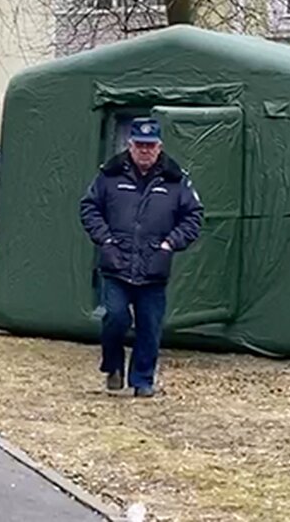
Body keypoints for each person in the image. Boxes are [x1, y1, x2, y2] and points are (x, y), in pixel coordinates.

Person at [79, 117, 203, 398]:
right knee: (115, 317)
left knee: (149, 326)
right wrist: (105, 240)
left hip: (154, 265)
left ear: (159, 147)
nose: (145, 151)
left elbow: (194, 217)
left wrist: (170, 244)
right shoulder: (109, 176)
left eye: (150, 146)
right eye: (139, 145)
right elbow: (89, 208)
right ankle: (113, 366)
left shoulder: (175, 179)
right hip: (117, 263)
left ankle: (142, 380)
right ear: (130, 146)